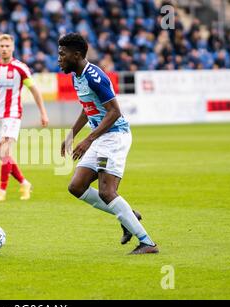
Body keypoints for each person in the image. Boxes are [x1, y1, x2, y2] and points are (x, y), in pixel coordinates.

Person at [58, 33, 158, 255]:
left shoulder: (95, 77)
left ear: (76, 55)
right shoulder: (76, 76)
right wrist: (71, 135)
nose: (59, 59)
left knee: (106, 191)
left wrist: (88, 140)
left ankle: (147, 243)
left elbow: (114, 112)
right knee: (76, 187)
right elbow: (88, 107)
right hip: (101, 137)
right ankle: (128, 214)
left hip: (114, 136)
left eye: (62, 54)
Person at [0, 34, 49, 202]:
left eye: (7, 46)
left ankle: (2, 190)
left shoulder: (20, 68)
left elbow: (34, 90)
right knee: (3, 156)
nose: (4, 49)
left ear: (13, 48)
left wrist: (43, 112)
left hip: (13, 114)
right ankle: (24, 183)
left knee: (5, 151)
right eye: (1, 46)